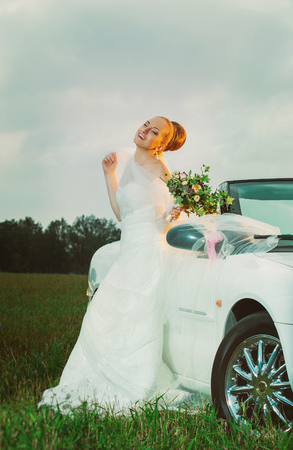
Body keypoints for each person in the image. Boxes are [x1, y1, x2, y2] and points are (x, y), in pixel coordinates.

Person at [38, 116, 188, 415]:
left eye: (154, 131)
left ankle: (134, 382)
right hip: (128, 252)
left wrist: (172, 215)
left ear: (162, 144)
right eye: (146, 124)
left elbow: (176, 209)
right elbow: (121, 214)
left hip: (148, 252)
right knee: (106, 315)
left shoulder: (161, 169)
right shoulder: (126, 162)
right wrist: (108, 173)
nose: (145, 130)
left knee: (136, 318)